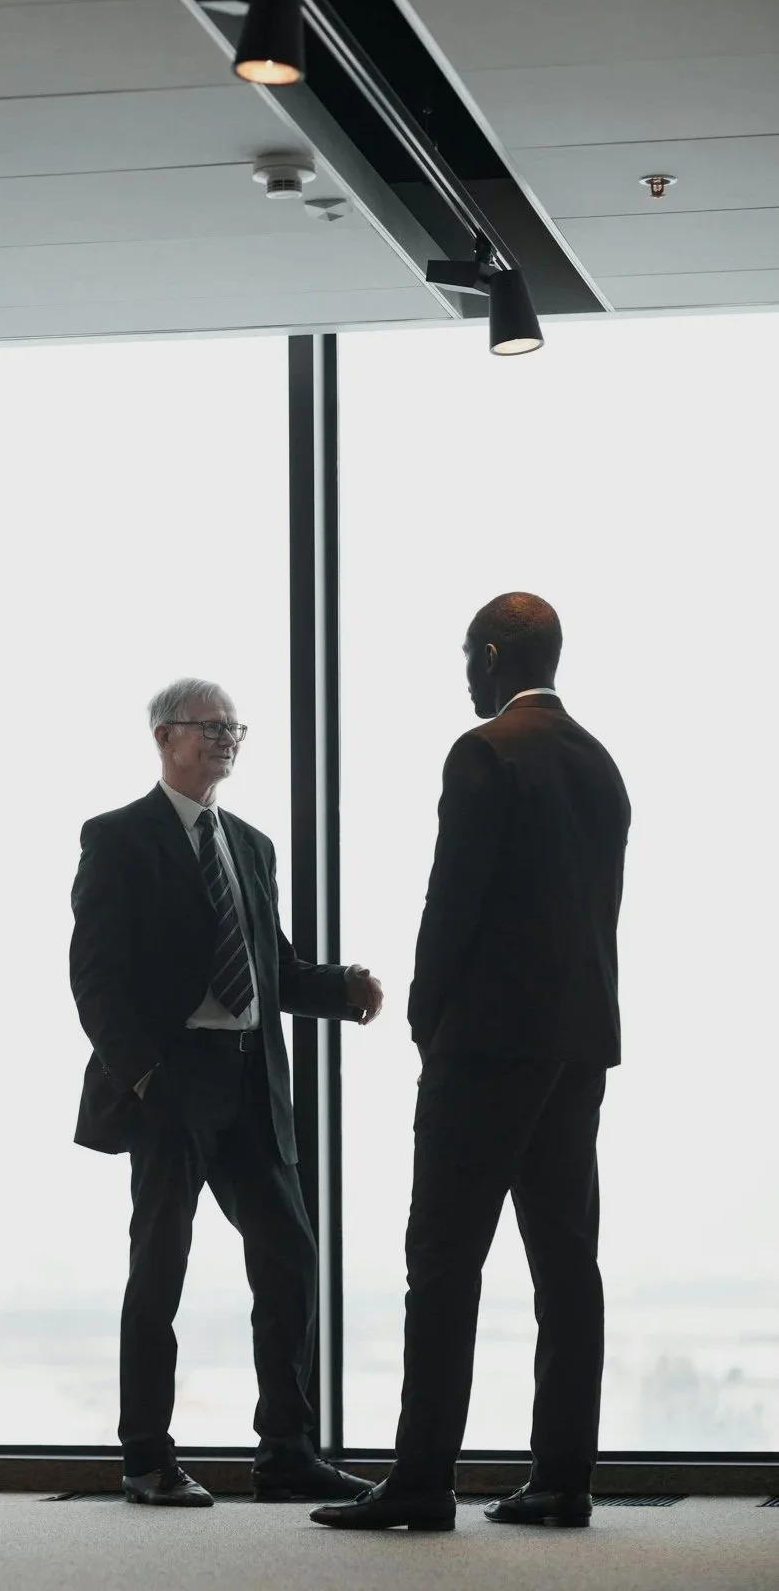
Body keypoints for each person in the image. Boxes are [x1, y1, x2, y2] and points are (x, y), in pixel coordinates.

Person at [314, 594, 631, 1534]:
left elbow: (453, 897)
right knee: (567, 1263)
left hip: (487, 1046)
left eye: (466, 654)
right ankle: (564, 1478)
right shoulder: (598, 764)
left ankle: (421, 1481)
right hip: (578, 1047)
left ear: (492, 655)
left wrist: (422, 1013)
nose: (463, 671)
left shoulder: (484, 749)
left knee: (443, 1262)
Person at [70, 678, 384, 1508]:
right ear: (164, 736)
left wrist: (339, 986)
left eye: (234, 728)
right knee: (159, 1272)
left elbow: (268, 967)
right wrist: (146, 1076)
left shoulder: (248, 844)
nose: (227, 739)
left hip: (250, 1081)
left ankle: (284, 1453)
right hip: (169, 1086)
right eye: (211, 727)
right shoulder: (117, 839)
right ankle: (145, 1458)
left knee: (291, 1263)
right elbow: (95, 982)